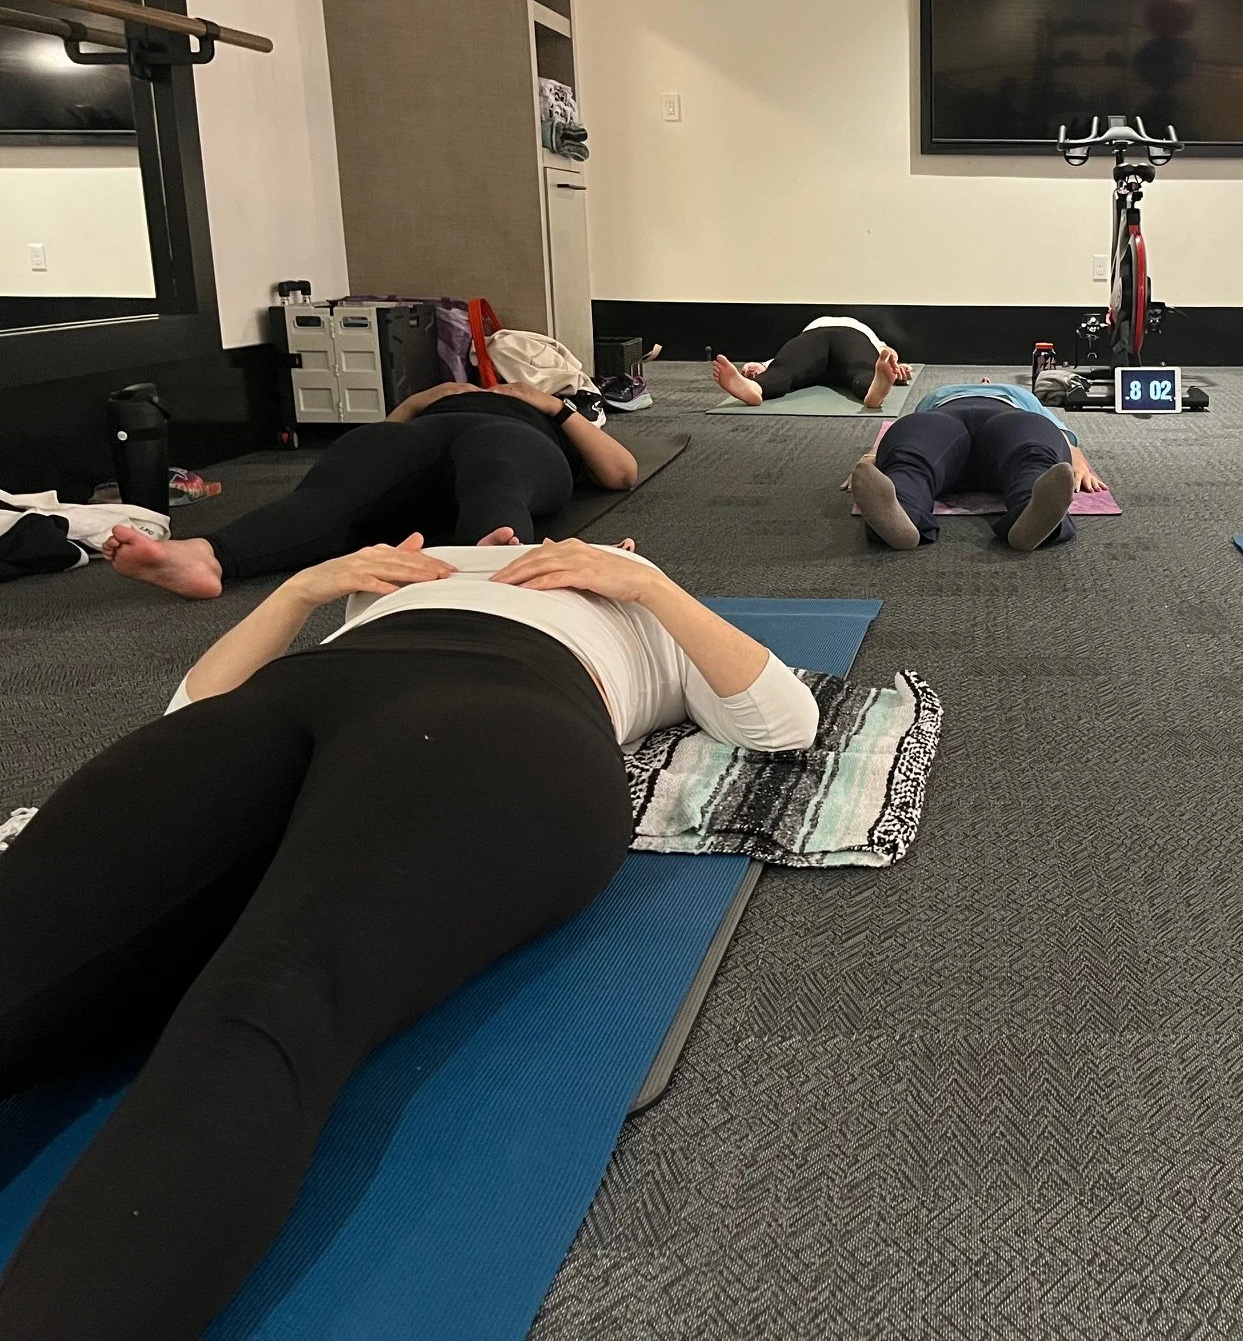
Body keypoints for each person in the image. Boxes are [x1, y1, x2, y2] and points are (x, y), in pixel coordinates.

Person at [0, 535, 818, 1339]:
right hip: (296, 695)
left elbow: (786, 722)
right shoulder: (383, 589)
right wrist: (304, 592)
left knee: (270, 996)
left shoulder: (639, 605)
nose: (511, 544)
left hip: (506, 713)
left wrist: (643, 580)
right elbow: (190, 713)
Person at [100, 380, 639, 600]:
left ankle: (496, 566)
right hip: (416, 435)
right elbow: (384, 437)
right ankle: (205, 555)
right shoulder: (437, 397)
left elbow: (622, 473)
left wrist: (548, 405)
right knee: (339, 489)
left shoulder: (550, 408)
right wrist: (427, 399)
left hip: (513, 436)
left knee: (494, 472)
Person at [847, 380, 1105, 552]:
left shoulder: (1020, 395)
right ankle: (899, 517)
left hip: (1006, 420)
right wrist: (870, 460)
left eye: (986, 381)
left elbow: (1060, 432)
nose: (983, 381)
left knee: (1033, 454)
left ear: (990, 382)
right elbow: (913, 427)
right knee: (911, 454)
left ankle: (1032, 520)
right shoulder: (937, 394)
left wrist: (1076, 461)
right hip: (945, 420)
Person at [709, 315, 914, 410]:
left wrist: (895, 364)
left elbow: (885, 353)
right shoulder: (860, 330)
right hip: (832, 338)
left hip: (831, 338)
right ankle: (752, 386)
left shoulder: (830, 326)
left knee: (785, 370)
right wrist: (761, 366)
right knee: (861, 370)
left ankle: (758, 387)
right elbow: (884, 353)